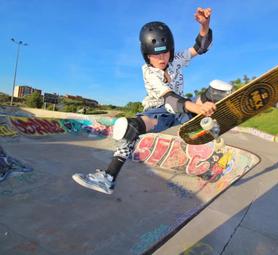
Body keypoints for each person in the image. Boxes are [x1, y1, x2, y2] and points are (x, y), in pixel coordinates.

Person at [72, 7, 233, 194]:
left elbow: (201, 47)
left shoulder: (177, 58)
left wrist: (205, 24)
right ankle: (108, 178)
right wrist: (197, 108)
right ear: (147, 55)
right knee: (129, 127)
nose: (162, 58)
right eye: (156, 55)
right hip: (158, 112)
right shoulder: (148, 72)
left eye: (165, 53)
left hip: (181, 109)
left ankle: (215, 115)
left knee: (216, 88)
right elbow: (170, 100)